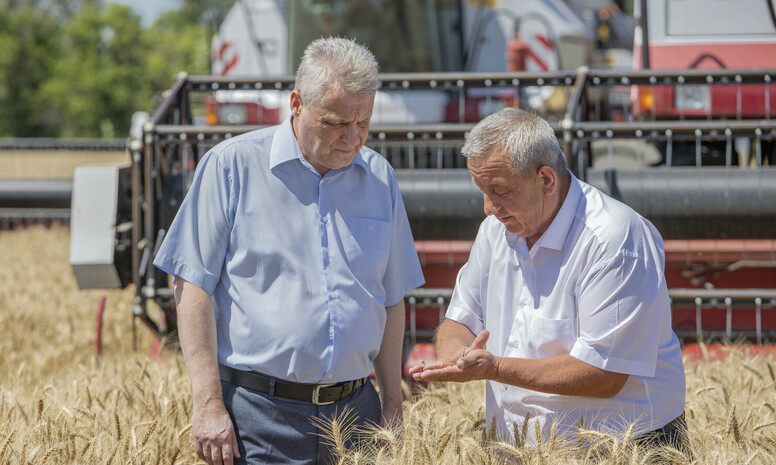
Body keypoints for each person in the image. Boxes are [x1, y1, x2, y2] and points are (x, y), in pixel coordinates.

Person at [154, 37, 424, 465]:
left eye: (364, 123)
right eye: (336, 123)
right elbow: (192, 288)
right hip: (260, 419)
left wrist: (393, 401)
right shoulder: (230, 167)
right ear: (296, 103)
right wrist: (207, 404)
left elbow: (391, 299)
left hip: (359, 415)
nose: (352, 138)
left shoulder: (380, 177)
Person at [409, 108, 689, 453]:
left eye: (499, 189)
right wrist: (457, 356)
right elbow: (461, 317)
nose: (488, 207)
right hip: (520, 449)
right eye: (481, 189)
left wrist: (494, 368)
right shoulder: (495, 231)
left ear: (546, 180)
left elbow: (605, 375)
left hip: (622, 449)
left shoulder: (613, 240)